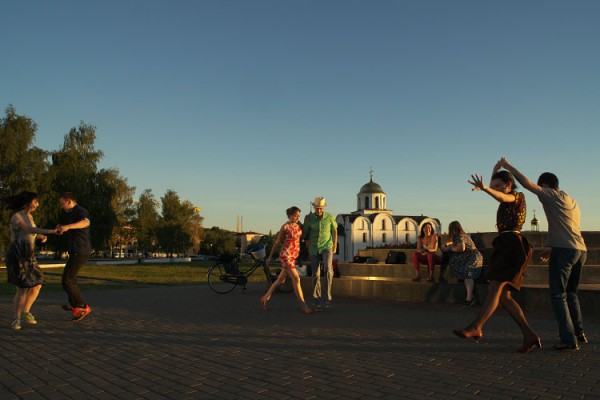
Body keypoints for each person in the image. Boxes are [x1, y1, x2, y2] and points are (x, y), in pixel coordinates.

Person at [499, 157, 587, 351]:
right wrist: (551, 247)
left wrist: (508, 167)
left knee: (558, 295)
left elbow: (526, 184)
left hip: (565, 251)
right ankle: (579, 333)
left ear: (546, 186)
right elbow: (567, 227)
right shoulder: (571, 200)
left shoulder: (550, 195)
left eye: (542, 188)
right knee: (571, 293)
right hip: (580, 250)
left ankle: (568, 339)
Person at [453, 165, 541, 354]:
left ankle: (476, 326)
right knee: (503, 296)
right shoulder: (505, 194)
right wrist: (494, 170)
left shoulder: (516, 197)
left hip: (512, 245)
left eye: (499, 185)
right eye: (494, 186)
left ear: (509, 184)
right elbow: (498, 192)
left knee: (495, 287)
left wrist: (486, 188)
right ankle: (529, 335)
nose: (496, 189)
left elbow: (502, 196)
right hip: (506, 244)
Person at [3, 191, 58, 330]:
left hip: (29, 256)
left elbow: (31, 231)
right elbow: (28, 229)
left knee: (37, 284)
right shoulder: (17, 217)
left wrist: (39, 236)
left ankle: (25, 312)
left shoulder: (30, 216)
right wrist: (51, 231)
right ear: (28, 202)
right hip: (17, 256)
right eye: (36, 201)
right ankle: (16, 319)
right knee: (22, 289)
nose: (37, 204)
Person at [260, 206, 313, 314]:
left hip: (293, 256)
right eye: (295, 216)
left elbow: (305, 232)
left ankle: (265, 298)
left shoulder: (299, 225)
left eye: (299, 216)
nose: (297, 218)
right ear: (289, 216)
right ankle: (303, 305)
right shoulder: (285, 227)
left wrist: (308, 219)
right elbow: (277, 242)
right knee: (296, 279)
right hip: (286, 255)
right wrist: (270, 257)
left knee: (281, 280)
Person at [57, 192, 92, 321]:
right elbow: (73, 228)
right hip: (77, 250)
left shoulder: (80, 211)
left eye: (63, 203)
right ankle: (73, 303)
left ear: (69, 201)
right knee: (71, 279)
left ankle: (81, 306)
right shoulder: (72, 215)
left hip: (80, 250)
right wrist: (62, 228)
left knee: (67, 280)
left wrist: (67, 227)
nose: (62, 207)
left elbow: (85, 222)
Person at [303, 197, 338, 309]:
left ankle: (327, 297)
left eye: (320, 208)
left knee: (328, 269)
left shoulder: (330, 217)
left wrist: (335, 245)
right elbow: (305, 234)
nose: (318, 210)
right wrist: (305, 221)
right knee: (315, 274)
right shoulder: (310, 218)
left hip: (327, 246)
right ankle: (317, 298)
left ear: (323, 208)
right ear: (314, 207)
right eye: (317, 208)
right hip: (313, 248)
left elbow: (335, 230)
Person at [441, 221, 483, 307]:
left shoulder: (459, 236)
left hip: (472, 259)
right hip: (472, 257)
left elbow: (461, 248)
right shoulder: (463, 236)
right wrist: (448, 244)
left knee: (468, 274)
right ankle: (469, 298)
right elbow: (454, 243)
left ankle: (469, 298)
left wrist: (450, 248)